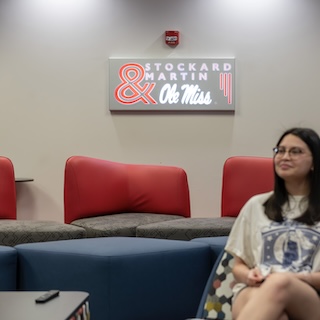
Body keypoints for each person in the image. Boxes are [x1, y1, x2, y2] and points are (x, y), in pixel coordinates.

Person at [225, 127, 320, 320]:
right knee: (277, 313)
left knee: (279, 284)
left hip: (310, 296)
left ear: (314, 162)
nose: (285, 157)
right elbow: (238, 266)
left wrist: (298, 279)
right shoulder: (256, 205)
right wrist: (248, 275)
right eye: (280, 150)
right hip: (256, 290)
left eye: (295, 151)